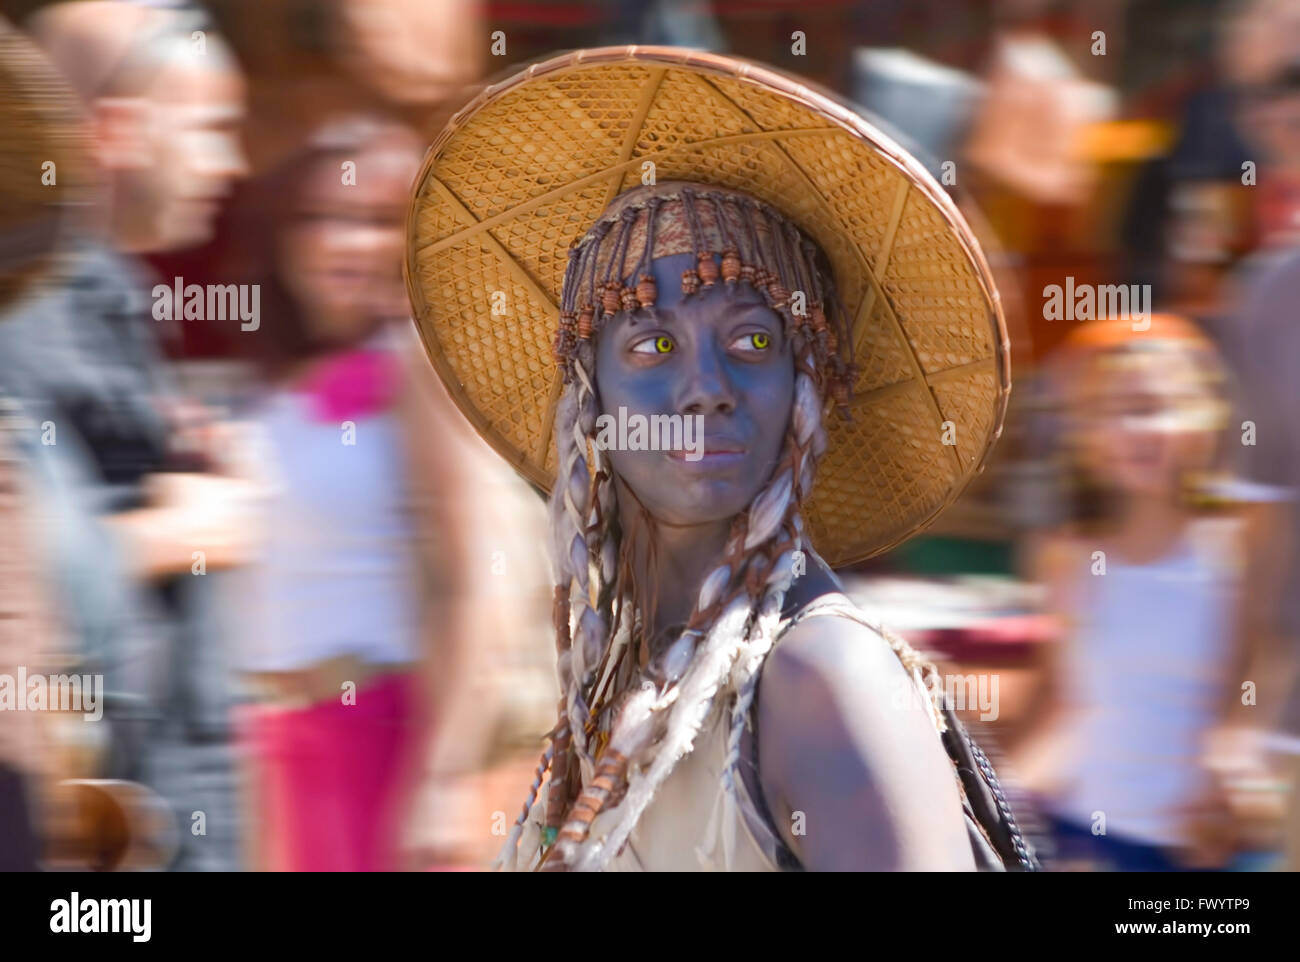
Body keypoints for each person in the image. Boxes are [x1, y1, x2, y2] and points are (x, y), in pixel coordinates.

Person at [406, 47, 1031, 871]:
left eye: (752, 340)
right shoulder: (622, 686)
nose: (706, 388)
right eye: (653, 342)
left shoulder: (824, 678)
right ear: (590, 405)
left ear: (804, 389)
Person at [0, 1, 251, 870]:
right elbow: (29, 586)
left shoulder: (105, 302)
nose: (235, 164)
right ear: (115, 131)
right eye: (212, 128)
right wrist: (176, 535)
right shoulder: (27, 312)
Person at [230, 115, 516, 871]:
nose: (341, 243)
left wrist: (443, 774)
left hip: (377, 738)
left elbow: (472, 582)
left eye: (370, 221)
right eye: (319, 218)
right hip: (271, 746)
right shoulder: (272, 386)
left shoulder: (414, 369)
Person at [1010, 314, 1285, 871]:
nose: (1138, 431)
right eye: (1114, 411)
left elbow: (1260, 669)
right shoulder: (1066, 558)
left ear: (1203, 420)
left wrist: (1235, 755)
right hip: (1093, 839)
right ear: (1088, 435)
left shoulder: (1235, 547)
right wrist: (1006, 790)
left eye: (1156, 407)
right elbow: (1066, 700)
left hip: (1205, 848)